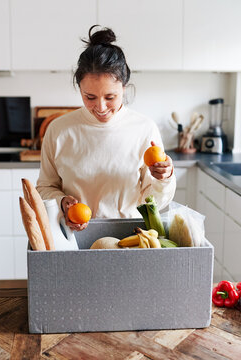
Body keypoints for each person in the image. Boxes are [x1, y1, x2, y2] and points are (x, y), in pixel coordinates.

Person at [37, 25, 176, 231]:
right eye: (90, 97)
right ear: (80, 89)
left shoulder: (144, 129)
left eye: (110, 97)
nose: (100, 107)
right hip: (72, 236)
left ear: (124, 88)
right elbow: (45, 187)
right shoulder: (59, 130)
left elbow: (154, 202)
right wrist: (62, 202)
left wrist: (163, 178)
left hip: (130, 236)